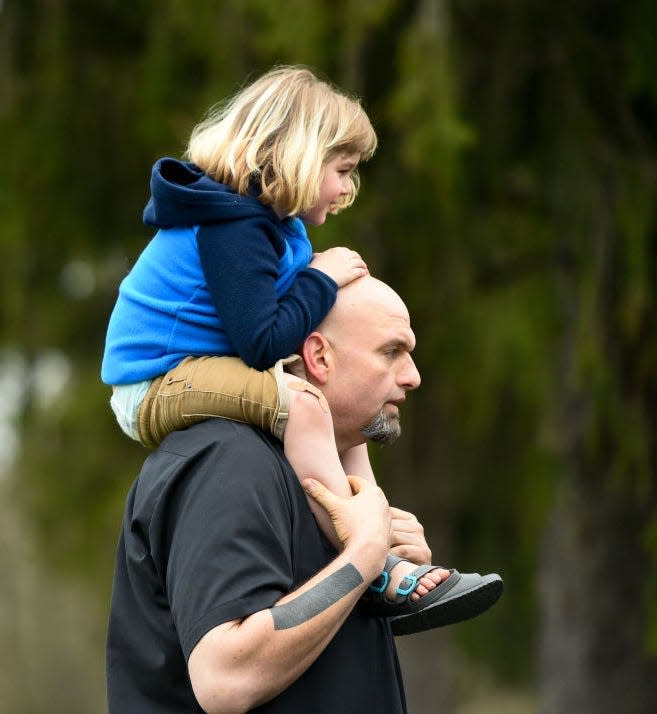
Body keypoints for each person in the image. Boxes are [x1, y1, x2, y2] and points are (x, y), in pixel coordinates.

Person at [101, 65, 491, 615]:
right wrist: (321, 278)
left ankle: (380, 530)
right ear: (301, 156)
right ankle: (367, 559)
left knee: (335, 409)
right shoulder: (232, 224)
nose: (349, 188)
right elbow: (262, 342)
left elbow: (286, 321)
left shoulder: (279, 226)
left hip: (201, 362)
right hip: (154, 382)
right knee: (307, 406)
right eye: (344, 170)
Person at [106, 276, 503, 712]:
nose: (413, 377)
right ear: (318, 356)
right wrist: (364, 556)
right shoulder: (229, 460)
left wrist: (381, 578)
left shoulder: (306, 470)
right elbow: (225, 677)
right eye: (391, 352)